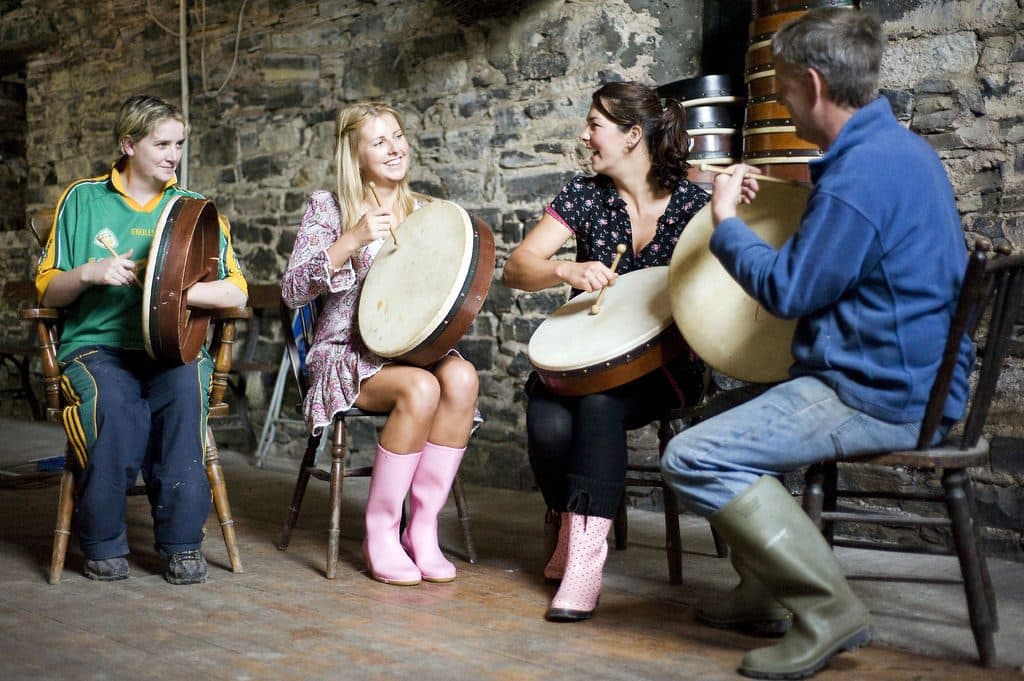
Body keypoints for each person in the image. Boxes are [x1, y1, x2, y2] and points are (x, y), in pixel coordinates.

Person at [660, 9, 973, 679]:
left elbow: (790, 290)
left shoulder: (863, 175)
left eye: (780, 86)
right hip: (902, 370)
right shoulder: (893, 150)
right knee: (713, 420)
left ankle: (829, 608)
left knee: (693, 455)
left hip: (883, 389)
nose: (777, 99)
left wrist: (724, 223)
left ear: (812, 83)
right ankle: (765, 590)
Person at [502, 81, 709, 622]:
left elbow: (725, 288)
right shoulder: (583, 194)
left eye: (595, 124)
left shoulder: (694, 204)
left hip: (664, 365)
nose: (584, 134)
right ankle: (570, 521)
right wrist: (564, 269)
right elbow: (516, 267)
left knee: (599, 405)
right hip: (582, 359)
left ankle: (584, 566)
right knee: (547, 422)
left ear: (632, 135)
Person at [35, 94, 249, 585]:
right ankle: (104, 541)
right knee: (116, 405)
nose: (172, 155)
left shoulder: (195, 211)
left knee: (184, 393)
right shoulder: (82, 199)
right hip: (97, 347)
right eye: (161, 144)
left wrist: (184, 289)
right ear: (129, 144)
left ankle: (181, 545)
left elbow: (235, 289)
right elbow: (49, 286)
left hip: (171, 348)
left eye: (178, 144)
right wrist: (91, 271)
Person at [281, 102, 480, 586]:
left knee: (462, 375)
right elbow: (292, 291)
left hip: (409, 350)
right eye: (379, 141)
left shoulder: (425, 212)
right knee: (420, 390)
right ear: (356, 154)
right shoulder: (330, 208)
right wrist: (350, 240)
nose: (395, 148)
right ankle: (381, 533)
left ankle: (423, 527)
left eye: (397, 136)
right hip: (344, 353)